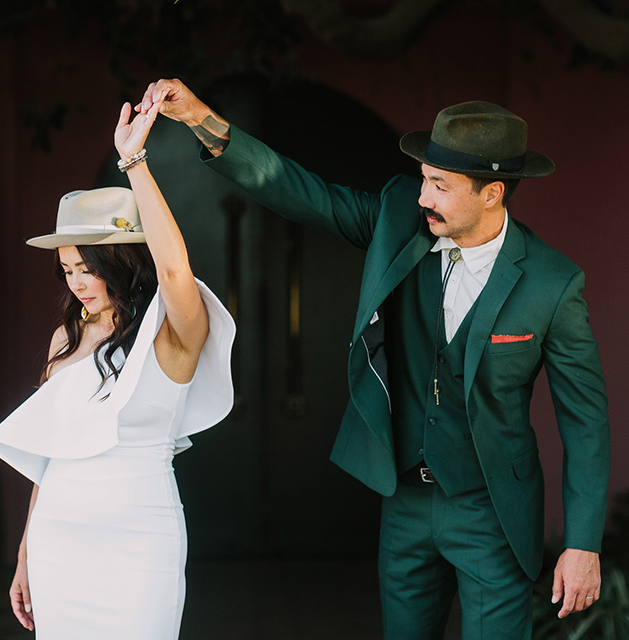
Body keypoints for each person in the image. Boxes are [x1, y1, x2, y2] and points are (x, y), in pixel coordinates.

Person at [137, 79, 610, 639]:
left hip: (492, 512)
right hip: (404, 504)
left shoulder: (552, 285)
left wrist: (582, 543)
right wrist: (201, 120)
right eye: (423, 180)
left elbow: (585, 422)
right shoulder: (396, 221)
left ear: (492, 193)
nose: (423, 197)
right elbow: (295, 188)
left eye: (440, 185)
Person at [0, 100, 235, 638]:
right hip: (58, 537)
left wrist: (135, 162)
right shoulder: (66, 338)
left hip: (139, 538)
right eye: (68, 268)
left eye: (88, 267)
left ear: (121, 262)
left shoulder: (174, 334)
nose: (76, 281)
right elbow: (52, 451)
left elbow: (174, 266)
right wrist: (26, 552)